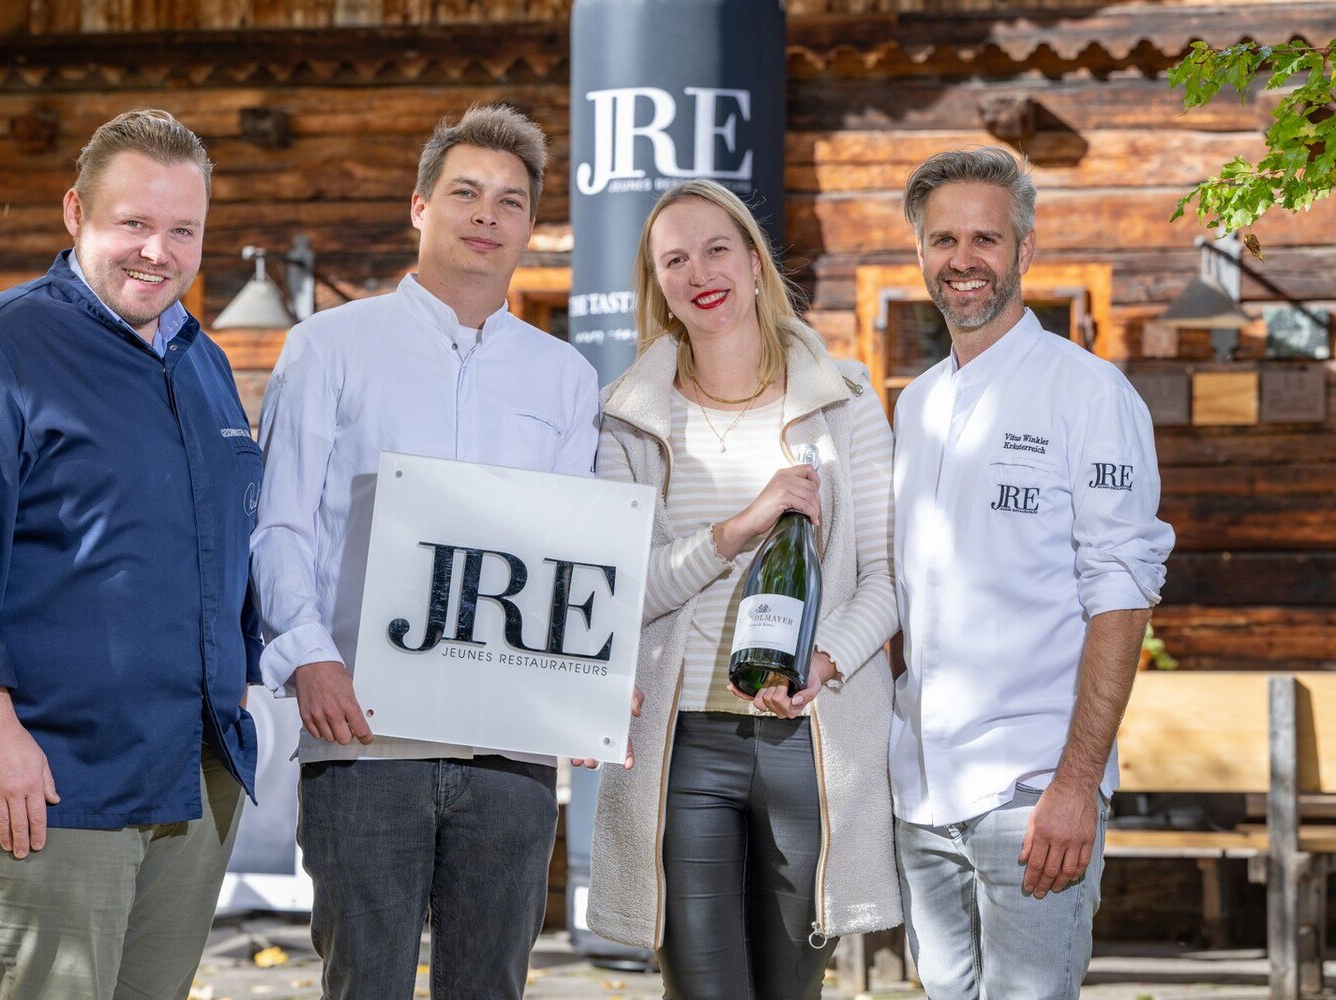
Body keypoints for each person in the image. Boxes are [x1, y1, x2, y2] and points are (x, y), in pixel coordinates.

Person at [0, 109, 262, 1000]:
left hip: (191, 774)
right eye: (133, 223)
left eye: (182, 230)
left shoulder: (201, 361)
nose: (156, 252)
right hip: (50, 777)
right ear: (74, 214)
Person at [250, 104, 599, 1000]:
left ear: (530, 226)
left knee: (491, 986)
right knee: (365, 984)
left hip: (509, 751)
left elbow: (569, 555)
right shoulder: (326, 347)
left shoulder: (563, 377)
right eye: (466, 193)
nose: (487, 214)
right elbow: (279, 523)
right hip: (363, 738)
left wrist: (586, 688)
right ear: (419, 207)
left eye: (511, 201)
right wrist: (308, 657)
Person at [583, 179, 903, 999]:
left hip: (812, 740)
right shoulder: (627, 419)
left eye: (717, 249)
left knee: (790, 989)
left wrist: (824, 662)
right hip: (680, 748)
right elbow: (625, 590)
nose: (700, 273)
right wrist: (741, 525)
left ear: (756, 264)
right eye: (675, 260)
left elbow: (883, 578)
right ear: (657, 288)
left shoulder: (847, 401)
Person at [889, 146, 1175, 999]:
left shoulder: (1090, 393)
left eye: (985, 238)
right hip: (923, 795)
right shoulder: (916, 403)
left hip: (1030, 793)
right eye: (944, 240)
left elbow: (1122, 592)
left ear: (1024, 249)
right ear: (922, 252)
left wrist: (1076, 784)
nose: (963, 260)